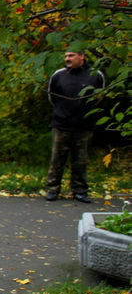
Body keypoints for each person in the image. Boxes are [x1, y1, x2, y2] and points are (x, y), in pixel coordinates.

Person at [44, 45, 105, 203]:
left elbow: (100, 97)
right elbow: (52, 97)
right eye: (66, 56)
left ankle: (79, 190)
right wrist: (62, 112)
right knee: (57, 158)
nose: (67, 59)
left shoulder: (95, 75)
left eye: (71, 55)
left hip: (84, 126)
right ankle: (52, 189)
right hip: (62, 124)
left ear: (81, 57)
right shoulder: (59, 75)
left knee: (81, 160)